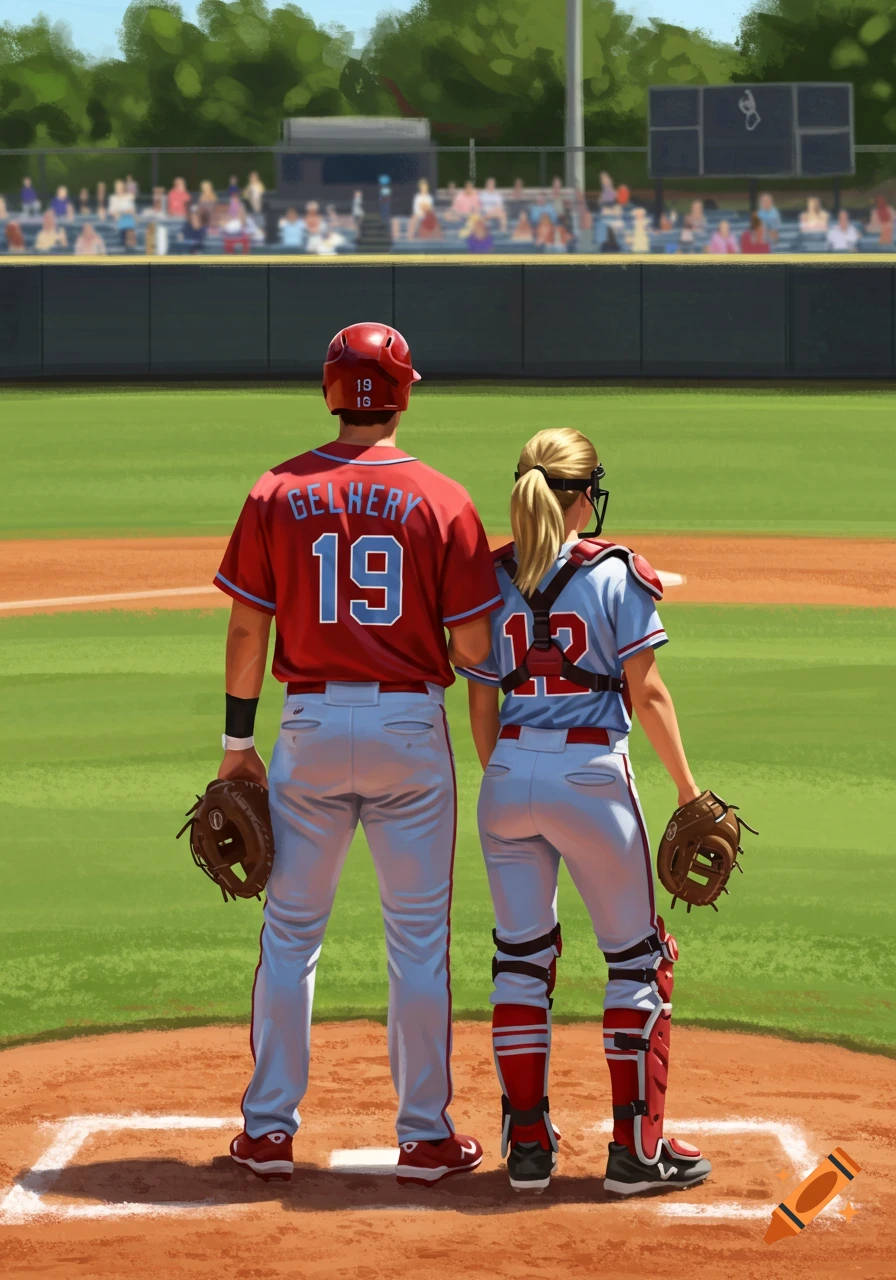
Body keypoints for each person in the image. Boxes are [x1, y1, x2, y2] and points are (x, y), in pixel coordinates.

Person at [217, 322, 501, 1186]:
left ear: (330, 390)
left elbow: (246, 626)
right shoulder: (444, 500)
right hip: (411, 732)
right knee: (417, 942)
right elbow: (471, 647)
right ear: (404, 391)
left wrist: (238, 745)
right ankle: (424, 1135)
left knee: (290, 936)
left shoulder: (275, 492)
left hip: (304, 728)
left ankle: (267, 1132)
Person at [459, 427, 712, 1197]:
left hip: (506, 777)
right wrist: (688, 790)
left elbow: (478, 703)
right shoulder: (614, 573)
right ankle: (637, 1154)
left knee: (522, 958)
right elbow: (650, 691)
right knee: (639, 960)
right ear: (579, 497)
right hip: (593, 774)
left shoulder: (490, 578)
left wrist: (510, 775)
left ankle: (527, 1147)